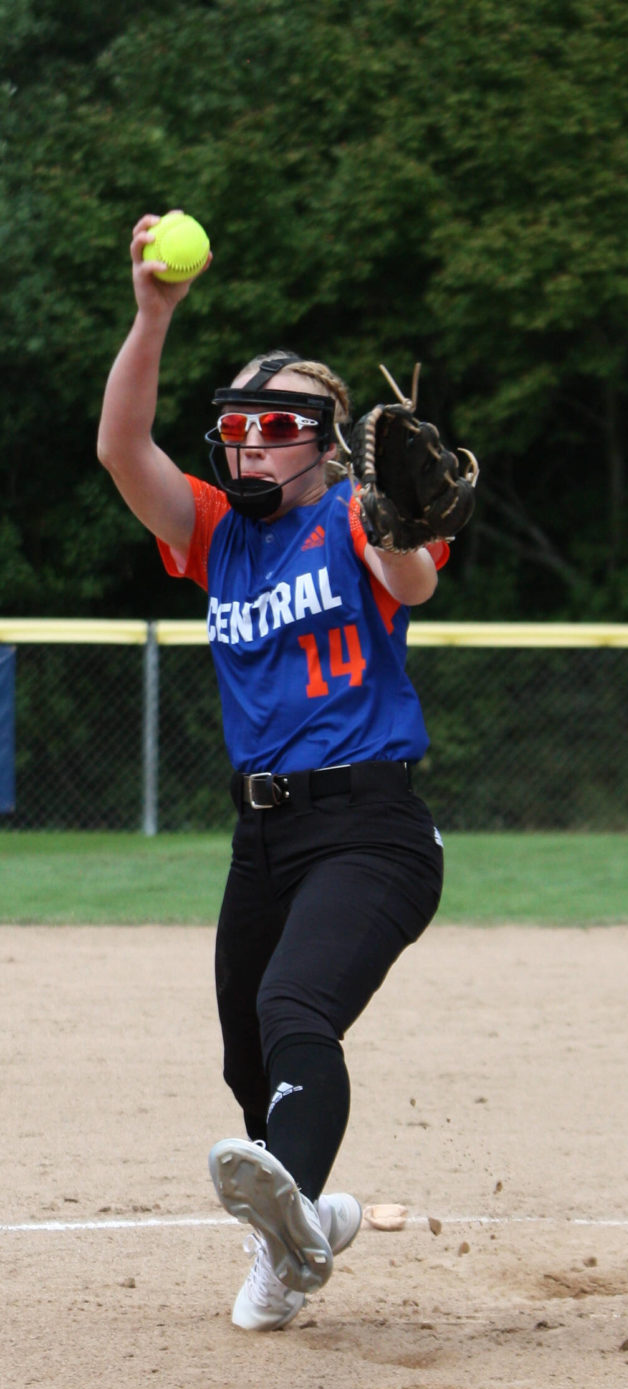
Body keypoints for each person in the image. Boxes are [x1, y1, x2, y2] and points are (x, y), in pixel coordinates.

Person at [97, 213, 448, 1330]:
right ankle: (303, 1234)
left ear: (329, 442)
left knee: (298, 1005)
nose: (246, 445)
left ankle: (293, 1233)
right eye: (236, 427)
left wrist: (398, 514)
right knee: (249, 1059)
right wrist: (154, 315)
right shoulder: (216, 537)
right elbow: (120, 448)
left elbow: (413, 579)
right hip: (264, 838)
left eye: (274, 427)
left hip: (371, 827)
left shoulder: (362, 512)